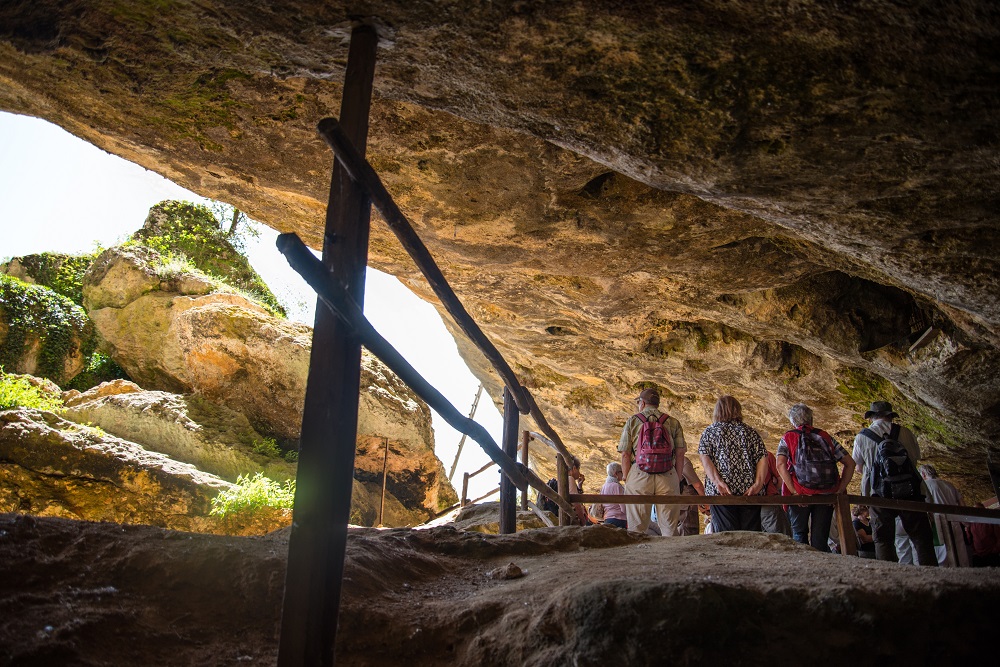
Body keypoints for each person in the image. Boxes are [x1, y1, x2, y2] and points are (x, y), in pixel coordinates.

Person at [852, 401, 937, 565]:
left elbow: (859, 467)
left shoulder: (862, 437)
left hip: (878, 494)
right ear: (890, 416)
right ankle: (932, 573)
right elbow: (914, 459)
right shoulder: (905, 432)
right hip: (910, 491)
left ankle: (889, 576)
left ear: (871, 417)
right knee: (921, 537)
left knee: (883, 539)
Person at [775, 403, 855, 552]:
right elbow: (850, 463)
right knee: (821, 537)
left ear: (793, 421)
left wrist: (793, 490)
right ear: (811, 419)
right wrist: (840, 489)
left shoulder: (788, 437)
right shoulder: (825, 436)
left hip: (800, 493)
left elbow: (780, 464)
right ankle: (823, 570)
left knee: (799, 534)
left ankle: (803, 568)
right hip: (827, 493)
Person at [618, 387, 687, 535]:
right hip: (667, 473)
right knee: (669, 525)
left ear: (642, 403)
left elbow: (625, 453)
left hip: (639, 473)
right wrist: (677, 477)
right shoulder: (673, 422)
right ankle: (671, 556)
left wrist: (627, 477)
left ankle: (638, 556)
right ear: (657, 403)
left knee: (637, 526)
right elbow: (680, 453)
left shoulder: (633, 421)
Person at [698, 395, 768, 533]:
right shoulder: (750, 432)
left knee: (726, 534)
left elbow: (705, 458)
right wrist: (758, 484)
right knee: (750, 534)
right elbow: (762, 458)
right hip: (749, 492)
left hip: (722, 493)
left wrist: (718, 482)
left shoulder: (710, 432)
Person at [919, 464, 970, 567]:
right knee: (960, 552)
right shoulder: (949, 484)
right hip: (955, 522)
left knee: (942, 554)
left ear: (923, 474)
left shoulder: (926, 485)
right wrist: (966, 523)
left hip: (938, 523)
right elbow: (962, 503)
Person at [761, 449, 792, 537]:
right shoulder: (767, 455)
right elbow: (780, 478)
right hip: (769, 499)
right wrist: (774, 488)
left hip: (748, 504)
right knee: (779, 535)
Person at [676, 454, 707, 535]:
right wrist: (705, 502)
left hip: (672, 504)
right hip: (686, 504)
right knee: (689, 533)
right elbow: (697, 485)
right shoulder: (681, 460)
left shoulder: (664, 460)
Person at [599, 462, 628, 529]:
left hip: (607, 518)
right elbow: (623, 507)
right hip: (619, 519)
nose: (623, 474)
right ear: (616, 473)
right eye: (621, 472)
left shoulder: (604, 486)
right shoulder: (617, 486)